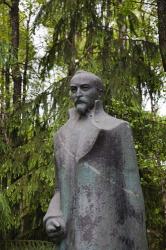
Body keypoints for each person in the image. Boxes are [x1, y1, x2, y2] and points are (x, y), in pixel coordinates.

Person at [44, 70, 148, 250]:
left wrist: (138, 243)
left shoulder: (117, 128)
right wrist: (52, 215)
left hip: (108, 233)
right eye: (73, 89)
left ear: (99, 92)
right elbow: (59, 188)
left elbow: (133, 194)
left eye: (84, 88)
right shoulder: (60, 136)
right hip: (70, 236)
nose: (78, 94)